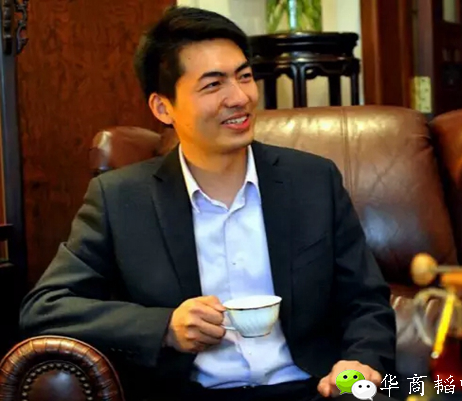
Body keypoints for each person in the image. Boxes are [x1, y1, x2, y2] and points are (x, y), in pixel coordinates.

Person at [19, 6, 398, 401]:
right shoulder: (121, 200)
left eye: (244, 76)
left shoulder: (313, 180)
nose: (240, 97)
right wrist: (164, 326)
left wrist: (360, 362)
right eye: (213, 84)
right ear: (163, 107)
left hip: (313, 390)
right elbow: (45, 306)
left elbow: (365, 299)